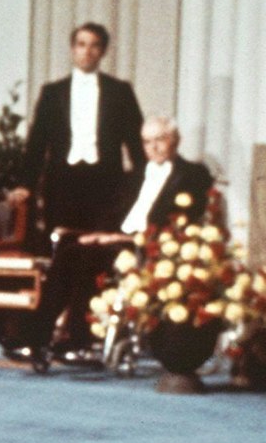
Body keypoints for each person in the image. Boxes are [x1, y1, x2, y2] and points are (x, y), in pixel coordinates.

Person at [22, 115, 215, 373]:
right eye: (147, 142)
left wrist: (122, 238)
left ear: (175, 141)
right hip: (114, 240)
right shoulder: (133, 176)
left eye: (160, 140)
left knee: (90, 258)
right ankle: (36, 338)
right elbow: (111, 213)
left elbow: (181, 221)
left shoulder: (194, 174)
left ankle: (78, 341)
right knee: (70, 250)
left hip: (147, 246)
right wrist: (97, 233)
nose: (153, 147)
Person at [13, 23, 145, 239]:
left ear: (103, 51)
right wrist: (26, 184)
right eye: (81, 45)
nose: (87, 51)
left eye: (94, 46)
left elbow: (136, 142)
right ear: (73, 49)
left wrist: (144, 182)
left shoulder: (120, 91)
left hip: (106, 181)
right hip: (62, 182)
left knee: (101, 245)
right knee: (62, 246)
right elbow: (37, 143)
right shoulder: (52, 93)